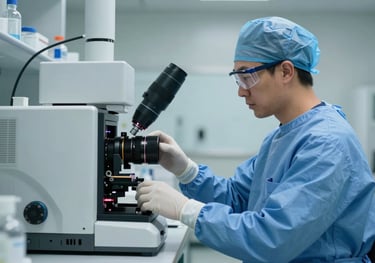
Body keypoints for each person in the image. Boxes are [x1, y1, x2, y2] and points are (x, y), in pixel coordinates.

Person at [135, 16, 375, 262]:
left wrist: (186, 210)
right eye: (237, 78)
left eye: (247, 76)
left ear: (285, 71)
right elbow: (238, 199)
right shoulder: (280, 138)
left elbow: (273, 238)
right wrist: (186, 170)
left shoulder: (327, 143)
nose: (241, 90)